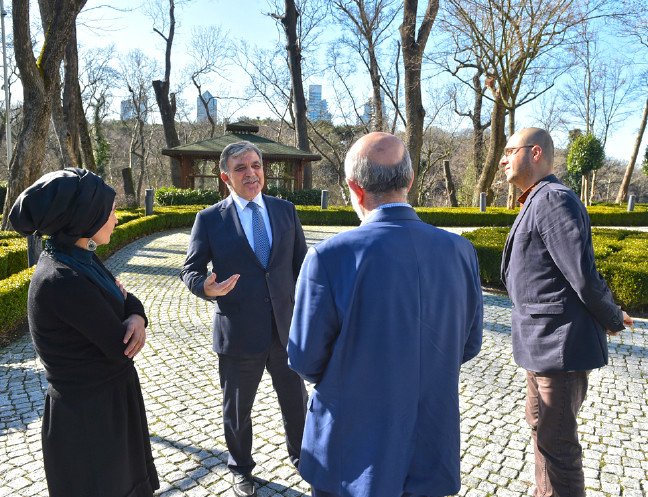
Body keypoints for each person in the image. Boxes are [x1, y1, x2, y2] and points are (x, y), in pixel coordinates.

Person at [287, 132, 483, 497]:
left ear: (355, 189)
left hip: (351, 450)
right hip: (430, 443)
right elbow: (469, 345)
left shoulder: (329, 256)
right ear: (410, 180)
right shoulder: (460, 251)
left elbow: (304, 359)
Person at [8, 168, 159, 497]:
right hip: (89, 419)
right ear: (85, 217)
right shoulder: (63, 279)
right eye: (110, 211)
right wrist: (128, 311)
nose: (116, 219)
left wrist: (136, 314)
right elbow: (120, 347)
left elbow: (124, 297)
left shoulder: (78, 258)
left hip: (106, 404)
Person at [499, 127, 634, 497]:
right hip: (541, 346)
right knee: (542, 432)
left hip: (559, 348)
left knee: (557, 445)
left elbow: (582, 275)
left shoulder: (553, 200)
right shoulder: (536, 198)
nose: (503, 159)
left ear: (535, 153)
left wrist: (611, 316)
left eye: (510, 151)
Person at [180, 140, 308, 497]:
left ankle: (304, 458)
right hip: (238, 331)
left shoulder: (285, 210)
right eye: (241, 169)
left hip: (285, 329)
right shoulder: (210, 219)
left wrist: (312, 312)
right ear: (226, 177)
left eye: (256, 166)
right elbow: (190, 269)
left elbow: (302, 266)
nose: (251, 173)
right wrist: (205, 287)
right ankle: (240, 469)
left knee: (296, 402)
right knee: (237, 409)